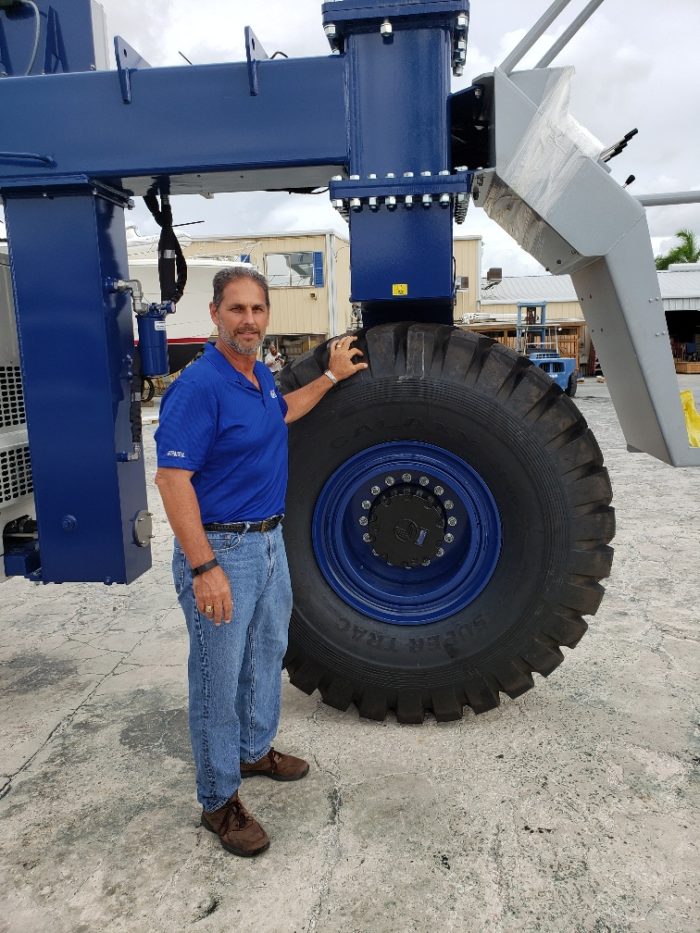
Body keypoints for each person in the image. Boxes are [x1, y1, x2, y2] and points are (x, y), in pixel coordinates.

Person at [154, 267, 366, 858]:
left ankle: (252, 750)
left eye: (257, 310)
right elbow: (172, 480)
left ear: (267, 317)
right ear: (215, 314)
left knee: (266, 653)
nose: (248, 320)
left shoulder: (257, 380)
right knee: (216, 680)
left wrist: (328, 374)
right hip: (221, 551)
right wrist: (203, 567)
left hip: (268, 544)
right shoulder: (199, 386)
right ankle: (218, 800)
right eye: (236, 309)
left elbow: (284, 412)